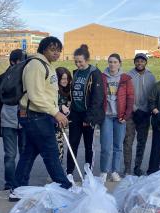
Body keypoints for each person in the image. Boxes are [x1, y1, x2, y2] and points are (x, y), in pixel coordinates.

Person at [11, 37, 72, 200]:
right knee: (51, 152)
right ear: (43, 49)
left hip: (40, 115)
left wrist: (55, 110)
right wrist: (56, 112)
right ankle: (65, 188)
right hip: (35, 116)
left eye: (59, 50)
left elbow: (47, 95)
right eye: (53, 49)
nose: (57, 53)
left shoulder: (46, 66)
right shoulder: (36, 66)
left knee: (29, 153)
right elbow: (35, 96)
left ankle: (17, 189)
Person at [66, 45, 104, 180]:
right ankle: (69, 172)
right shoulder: (75, 73)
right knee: (72, 144)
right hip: (75, 114)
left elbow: (97, 97)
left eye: (80, 61)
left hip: (88, 115)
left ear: (87, 59)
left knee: (89, 146)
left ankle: (88, 174)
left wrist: (89, 117)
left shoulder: (94, 73)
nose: (78, 64)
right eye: (76, 61)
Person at [0, 49, 26, 190]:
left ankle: (22, 182)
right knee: (10, 155)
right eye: (21, 60)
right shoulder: (1, 78)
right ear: (13, 61)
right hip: (7, 121)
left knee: (25, 154)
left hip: (25, 122)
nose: (24, 63)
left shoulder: (27, 77)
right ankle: (10, 183)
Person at [100, 54, 134, 182]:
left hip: (120, 117)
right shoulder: (102, 77)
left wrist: (126, 115)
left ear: (120, 63)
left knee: (118, 146)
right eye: (110, 62)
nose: (112, 64)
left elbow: (130, 97)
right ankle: (104, 171)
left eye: (115, 62)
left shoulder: (125, 78)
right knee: (105, 146)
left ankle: (114, 171)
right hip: (106, 117)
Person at [124, 53, 155, 176]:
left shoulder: (151, 76)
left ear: (145, 62)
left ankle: (137, 167)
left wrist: (147, 110)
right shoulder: (128, 76)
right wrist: (134, 109)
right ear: (134, 62)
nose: (140, 63)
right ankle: (127, 169)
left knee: (141, 142)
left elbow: (153, 95)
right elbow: (125, 94)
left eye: (142, 61)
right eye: (137, 61)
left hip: (145, 114)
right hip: (131, 113)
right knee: (128, 142)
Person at [55, 66, 72, 162]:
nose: (65, 81)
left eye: (67, 78)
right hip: (53, 123)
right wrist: (61, 106)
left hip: (62, 123)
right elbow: (49, 104)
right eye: (62, 79)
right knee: (56, 147)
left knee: (60, 146)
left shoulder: (68, 90)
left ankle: (58, 170)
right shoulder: (54, 90)